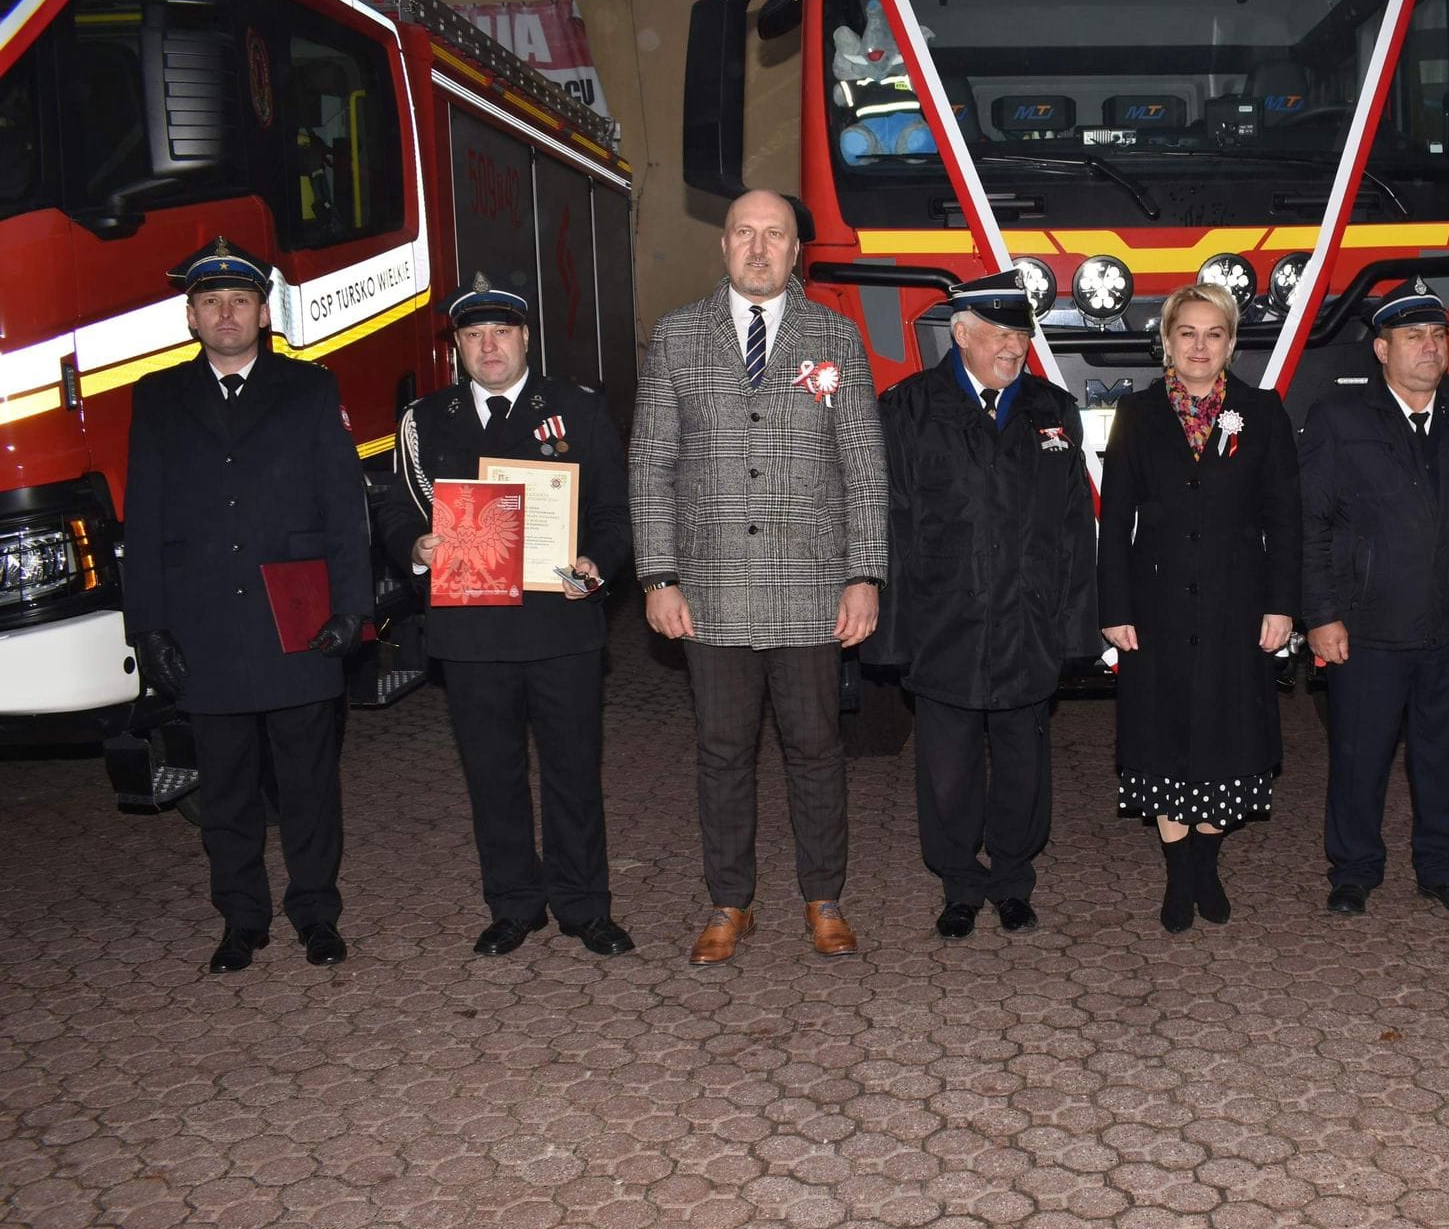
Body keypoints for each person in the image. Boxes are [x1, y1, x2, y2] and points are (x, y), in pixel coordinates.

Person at [629, 189, 889, 965]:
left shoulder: (835, 337)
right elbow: (650, 465)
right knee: (720, 749)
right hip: (709, 590)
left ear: (795, 249)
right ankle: (728, 902)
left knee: (815, 746)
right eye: (744, 232)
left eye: (774, 234)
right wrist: (658, 576)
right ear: (724, 245)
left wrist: (864, 573)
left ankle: (823, 897)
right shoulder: (676, 339)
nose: (758, 247)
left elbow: (865, 470)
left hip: (811, 588)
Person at [123, 237, 371, 973]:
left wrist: (352, 608)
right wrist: (150, 623)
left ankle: (316, 914)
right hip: (205, 626)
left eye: (239, 301)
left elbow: (341, 504)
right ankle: (242, 919)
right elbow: (145, 517)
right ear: (190, 317)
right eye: (210, 302)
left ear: (265, 314)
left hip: (296, 620)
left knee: (308, 784)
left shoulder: (309, 388)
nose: (225, 313)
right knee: (225, 788)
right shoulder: (158, 397)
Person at [374, 275, 635, 957]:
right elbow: (395, 506)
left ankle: (585, 905)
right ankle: (514, 905)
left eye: (502, 332)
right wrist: (416, 546)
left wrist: (597, 564)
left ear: (525, 336)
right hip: (472, 629)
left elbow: (613, 511)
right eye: (472, 335)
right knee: (491, 774)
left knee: (574, 772)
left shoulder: (576, 409)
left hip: (561, 627)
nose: (488, 346)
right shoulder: (425, 421)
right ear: (458, 345)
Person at [870, 271, 1099, 940]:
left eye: (1022, 334)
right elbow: (893, 524)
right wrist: (892, 635)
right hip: (946, 624)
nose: (1015, 346)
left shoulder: (1051, 411)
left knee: (1024, 766)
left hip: (1027, 623)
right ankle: (960, 883)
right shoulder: (910, 408)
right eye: (1001, 333)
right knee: (947, 772)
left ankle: (1012, 879)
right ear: (961, 333)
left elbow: (1072, 525)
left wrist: (1076, 626)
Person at [1299, 280, 1449, 919]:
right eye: (1412, 337)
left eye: (1438, 336)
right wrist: (1321, 615)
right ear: (1381, 349)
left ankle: (1443, 869)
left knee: (1448, 760)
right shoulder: (1340, 420)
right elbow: (1309, 523)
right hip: (1366, 627)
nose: (1429, 349)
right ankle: (1353, 871)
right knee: (1358, 759)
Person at [1097, 282, 1301, 931]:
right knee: (1162, 739)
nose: (1200, 346)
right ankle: (1178, 875)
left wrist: (1281, 605)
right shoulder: (1136, 413)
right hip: (1155, 608)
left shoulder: (1262, 413)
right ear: (1168, 341)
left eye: (1214, 334)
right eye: (1188, 333)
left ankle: (1202, 866)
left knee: (1226, 739)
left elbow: (1286, 520)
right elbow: (1116, 520)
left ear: (1232, 343)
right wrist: (1115, 606)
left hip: (1235, 609)